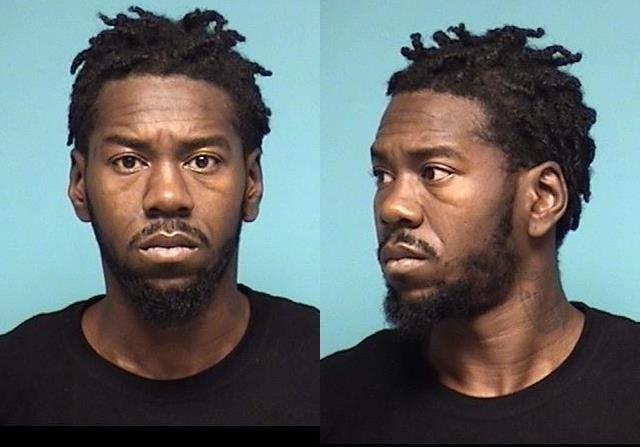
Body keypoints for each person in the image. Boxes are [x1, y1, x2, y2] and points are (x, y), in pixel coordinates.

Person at [321, 24, 640, 443]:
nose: (391, 206)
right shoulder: (332, 397)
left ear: (542, 198)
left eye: (434, 172)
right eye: (382, 175)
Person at [0, 6, 318, 426]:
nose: (167, 196)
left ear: (252, 183)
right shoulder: (11, 378)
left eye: (202, 161)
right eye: (128, 161)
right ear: (79, 184)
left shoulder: (319, 370)